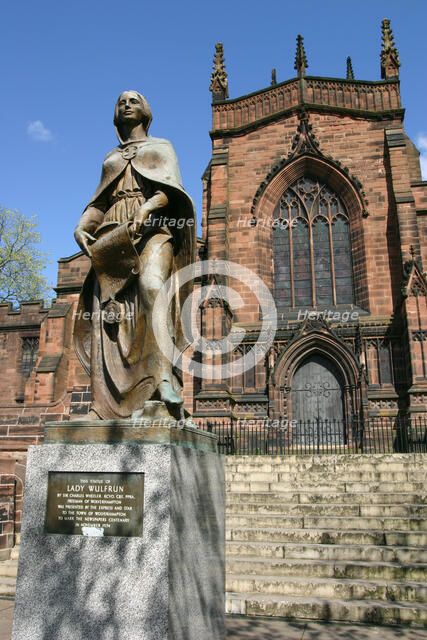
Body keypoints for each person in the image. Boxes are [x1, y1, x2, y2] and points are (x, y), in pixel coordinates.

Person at [73, 91, 195, 420]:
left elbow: (169, 192)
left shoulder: (161, 147)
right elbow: (99, 203)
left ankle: (163, 380)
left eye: (134, 100)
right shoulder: (111, 158)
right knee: (105, 317)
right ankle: (105, 407)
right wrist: (82, 225)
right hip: (113, 238)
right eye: (121, 101)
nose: (127, 104)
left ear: (145, 111)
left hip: (153, 231)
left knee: (153, 288)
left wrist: (146, 206)